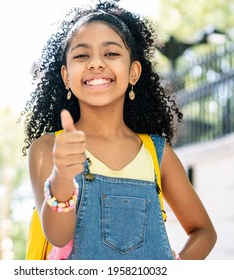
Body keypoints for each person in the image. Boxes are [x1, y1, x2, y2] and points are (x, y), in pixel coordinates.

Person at [21, 0, 217, 260]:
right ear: (66, 76)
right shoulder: (47, 150)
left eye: (111, 53)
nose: (96, 63)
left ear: (133, 71)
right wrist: (62, 177)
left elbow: (204, 231)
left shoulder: (157, 154)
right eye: (82, 55)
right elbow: (58, 237)